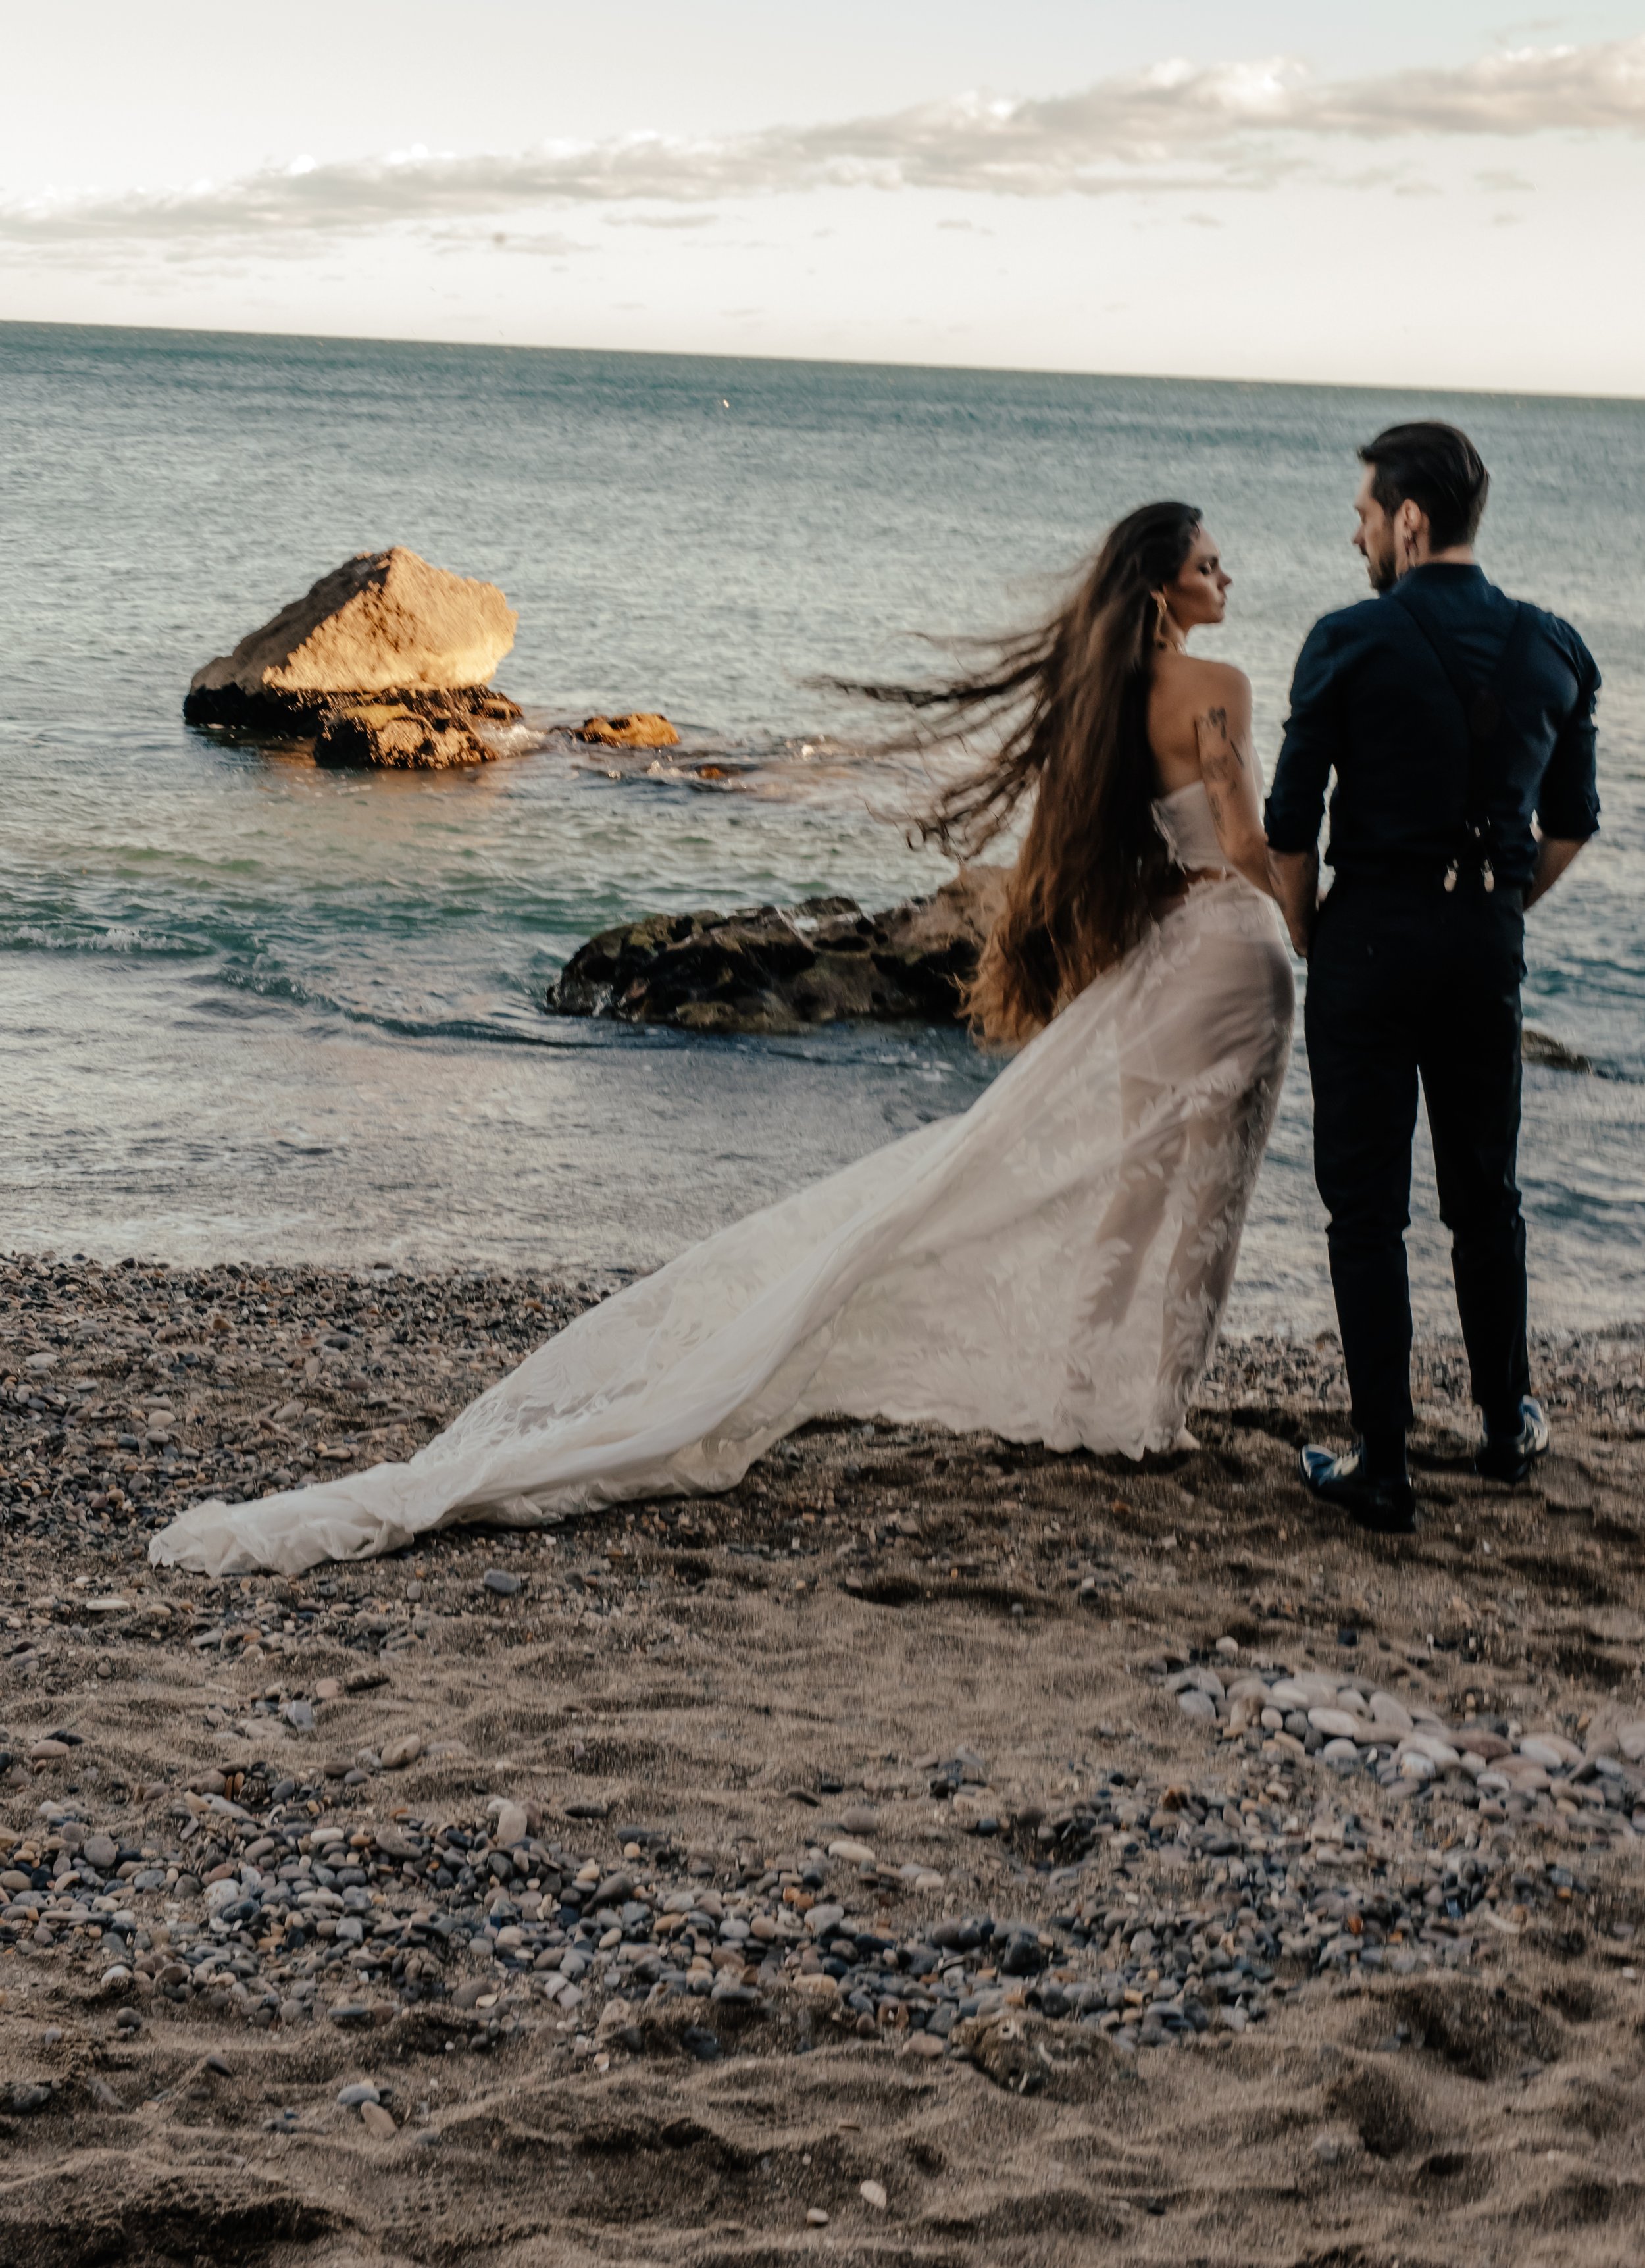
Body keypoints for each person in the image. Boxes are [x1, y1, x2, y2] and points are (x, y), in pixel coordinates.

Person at [150, 503, 1294, 1578]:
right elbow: (1246, 845)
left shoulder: (1101, 698)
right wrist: (1307, 875)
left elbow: (1134, 854)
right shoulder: (1220, 686)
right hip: (1235, 945)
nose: (1225, 575)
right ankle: (1146, 1413)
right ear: (1162, 582)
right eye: (1207, 562)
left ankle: (1098, 1396)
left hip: (1169, 953)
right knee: (1202, 1176)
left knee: (1128, 1171)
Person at [1267, 422, 1600, 1535]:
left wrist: (1308, 930)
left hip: (1366, 939)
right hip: (1481, 950)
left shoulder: (1347, 639)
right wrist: (1499, 908)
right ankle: (1506, 1426)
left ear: (1408, 522)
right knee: (1485, 1197)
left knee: (1365, 1207)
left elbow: (1289, 819)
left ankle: (1385, 1461)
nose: (1356, 533)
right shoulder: (1556, 649)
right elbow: (1571, 825)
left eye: (1364, 515)